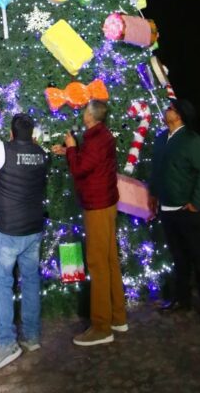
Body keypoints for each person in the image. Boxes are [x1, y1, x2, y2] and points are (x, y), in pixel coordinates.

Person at [0, 100, 48, 372]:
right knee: (31, 281)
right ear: (31, 134)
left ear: (10, 133)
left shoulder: (3, 150)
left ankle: (7, 343)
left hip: (9, 232)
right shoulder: (42, 154)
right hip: (34, 230)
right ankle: (32, 336)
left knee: (3, 285)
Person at [52, 100, 128, 346]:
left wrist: (72, 148)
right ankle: (118, 317)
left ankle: (101, 327)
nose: (82, 113)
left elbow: (81, 169)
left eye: (85, 110)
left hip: (97, 205)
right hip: (106, 202)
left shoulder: (94, 139)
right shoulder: (99, 136)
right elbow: (90, 162)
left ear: (91, 116)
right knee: (109, 259)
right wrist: (69, 151)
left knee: (97, 263)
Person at [148, 99, 200, 324]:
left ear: (179, 115)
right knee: (178, 257)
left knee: (198, 258)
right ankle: (182, 299)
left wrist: (196, 203)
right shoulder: (161, 139)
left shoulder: (191, 140)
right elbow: (157, 170)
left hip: (187, 210)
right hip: (167, 209)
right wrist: (153, 194)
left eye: (171, 108)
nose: (167, 110)